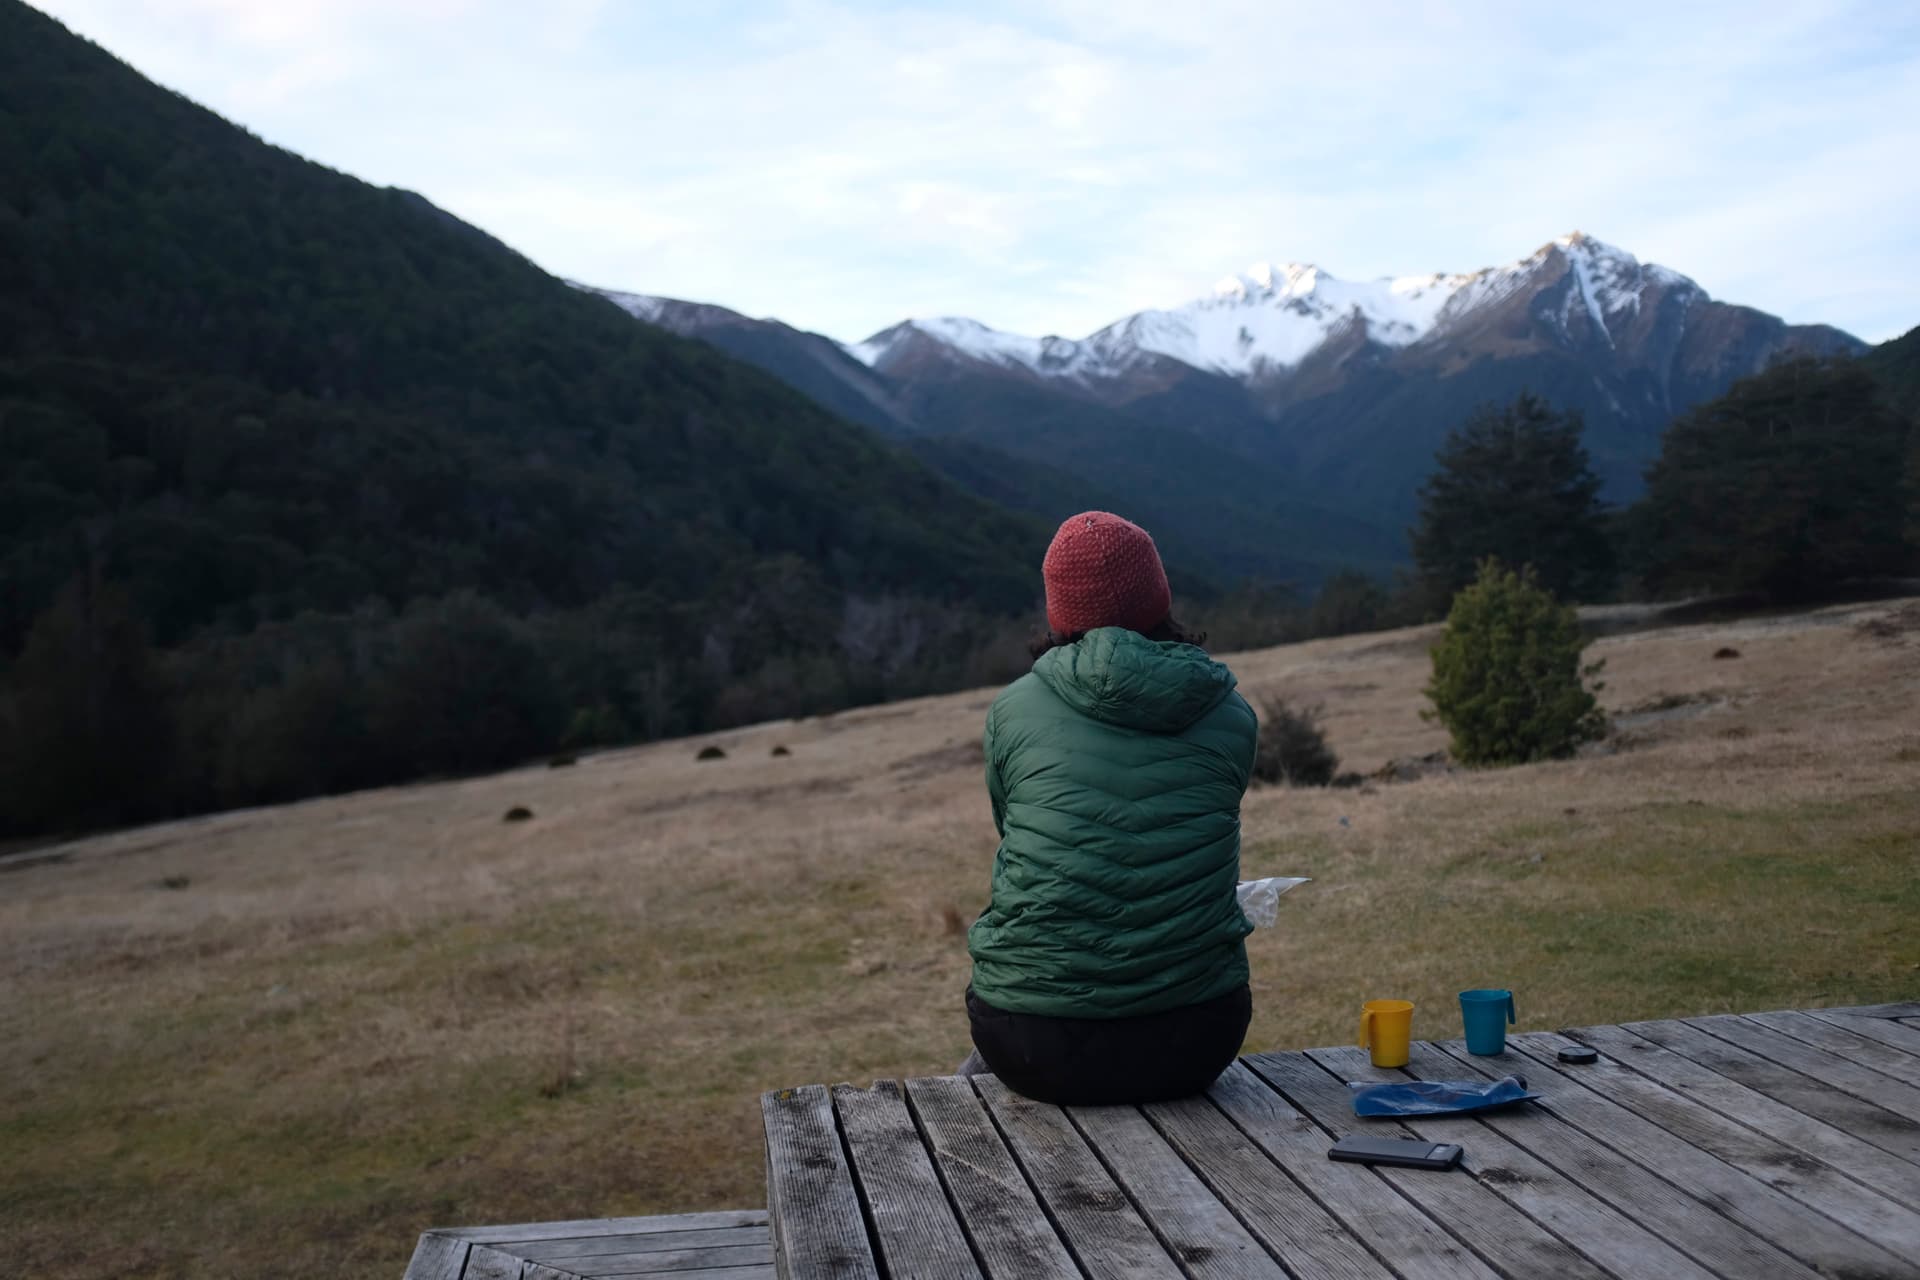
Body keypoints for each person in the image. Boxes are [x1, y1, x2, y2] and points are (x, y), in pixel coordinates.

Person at [959, 511, 1258, 1105]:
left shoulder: (1012, 711)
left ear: (1060, 609)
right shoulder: (1229, 712)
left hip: (1031, 1042)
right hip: (1196, 1039)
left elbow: (1010, 829)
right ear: (1158, 595)